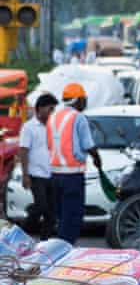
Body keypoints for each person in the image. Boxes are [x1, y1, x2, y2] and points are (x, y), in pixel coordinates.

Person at [48, 83, 102, 244]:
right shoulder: (78, 117)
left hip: (53, 175)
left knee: (61, 216)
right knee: (72, 218)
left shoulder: (53, 117)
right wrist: (97, 158)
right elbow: (88, 145)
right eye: (83, 99)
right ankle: (66, 251)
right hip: (72, 176)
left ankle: (58, 248)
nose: (85, 103)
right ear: (77, 100)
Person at [19, 93, 57, 239]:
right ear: (40, 108)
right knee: (41, 207)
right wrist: (25, 175)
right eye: (50, 108)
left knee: (52, 214)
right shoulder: (29, 127)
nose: (52, 112)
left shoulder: (54, 127)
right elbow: (23, 151)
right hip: (36, 174)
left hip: (52, 173)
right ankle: (21, 233)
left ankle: (44, 243)